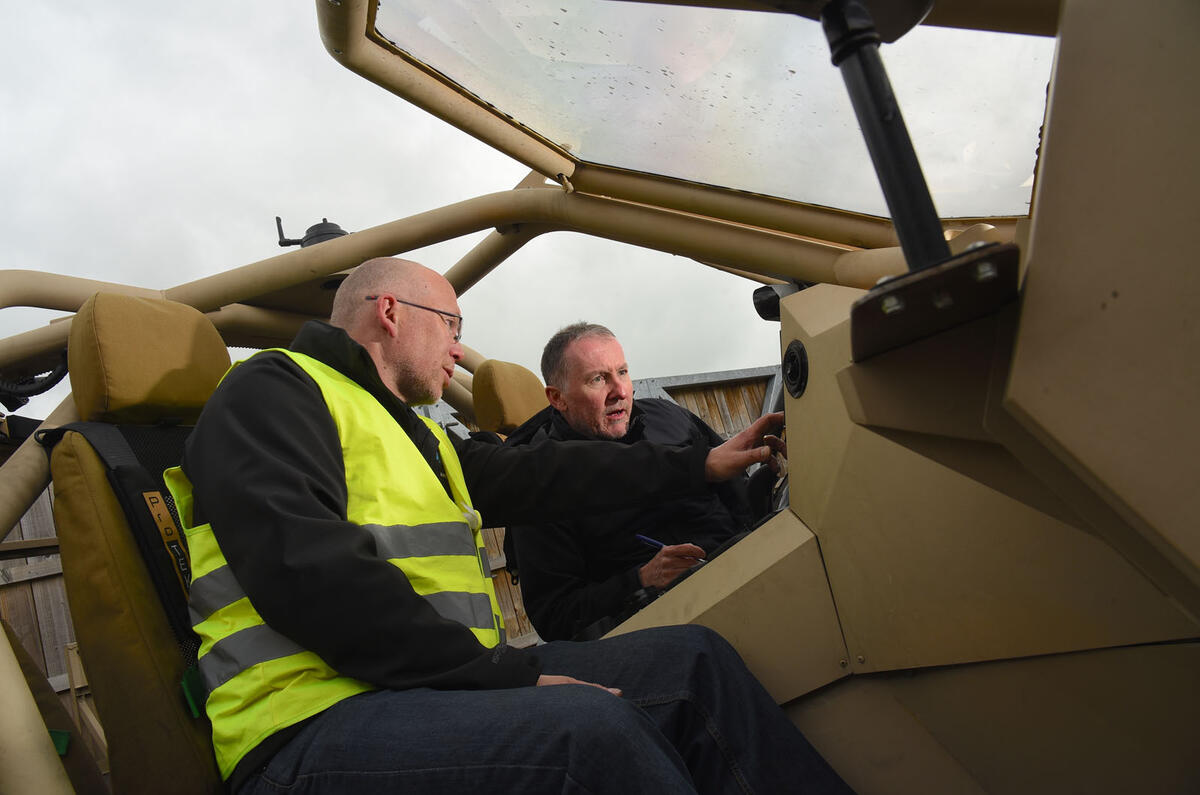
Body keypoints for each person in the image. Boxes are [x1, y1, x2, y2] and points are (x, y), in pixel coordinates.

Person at [165, 257, 851, 794]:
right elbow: (309, 572)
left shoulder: (419, 435)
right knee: (591, 731)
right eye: (453, 325)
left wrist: (702, 462)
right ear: (391, 312)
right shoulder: (272, 391)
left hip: (418, 691)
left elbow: (553, 475)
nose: (460, 351)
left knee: (694, 661)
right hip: (308, 726)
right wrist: (501, 676)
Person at [505, 323, 758, 642]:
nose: (620, 391)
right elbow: (557, 616)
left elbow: (742, 498)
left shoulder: (669, 418)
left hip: (751, 573)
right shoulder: (540, 482)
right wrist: (641, 580)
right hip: (665, 633)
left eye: (622, 372)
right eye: (598, 379)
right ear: (558, 398)